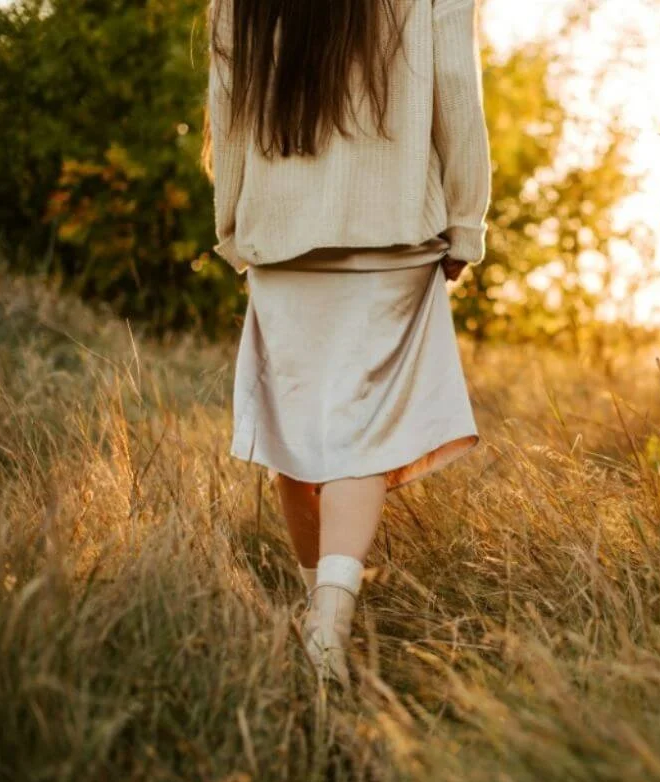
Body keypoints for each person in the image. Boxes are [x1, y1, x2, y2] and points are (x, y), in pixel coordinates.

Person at [205, 0, 490, 687]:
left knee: (297, 431)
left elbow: (229, 111)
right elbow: (458, 94)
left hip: (280, 235)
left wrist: (232, 229)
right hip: (389, 231)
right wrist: (466, 224)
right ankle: (328, 625)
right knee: (358, 433)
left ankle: (317, 610)